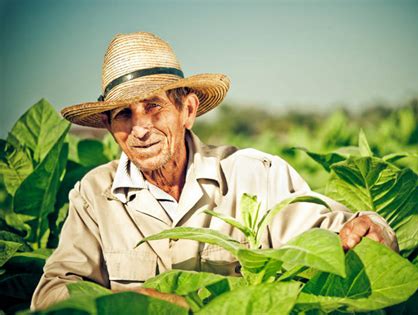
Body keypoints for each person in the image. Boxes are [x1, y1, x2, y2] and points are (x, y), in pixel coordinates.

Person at [31, 32, 398, 310]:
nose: (140, 128)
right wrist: (134, 305)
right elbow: (50, 294)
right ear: (110, 127)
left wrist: (371, 228)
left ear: (187, 110)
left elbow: (332, 238)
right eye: (124, 114)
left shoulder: (255, 175)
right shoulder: (95, 195)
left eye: (154, 107)